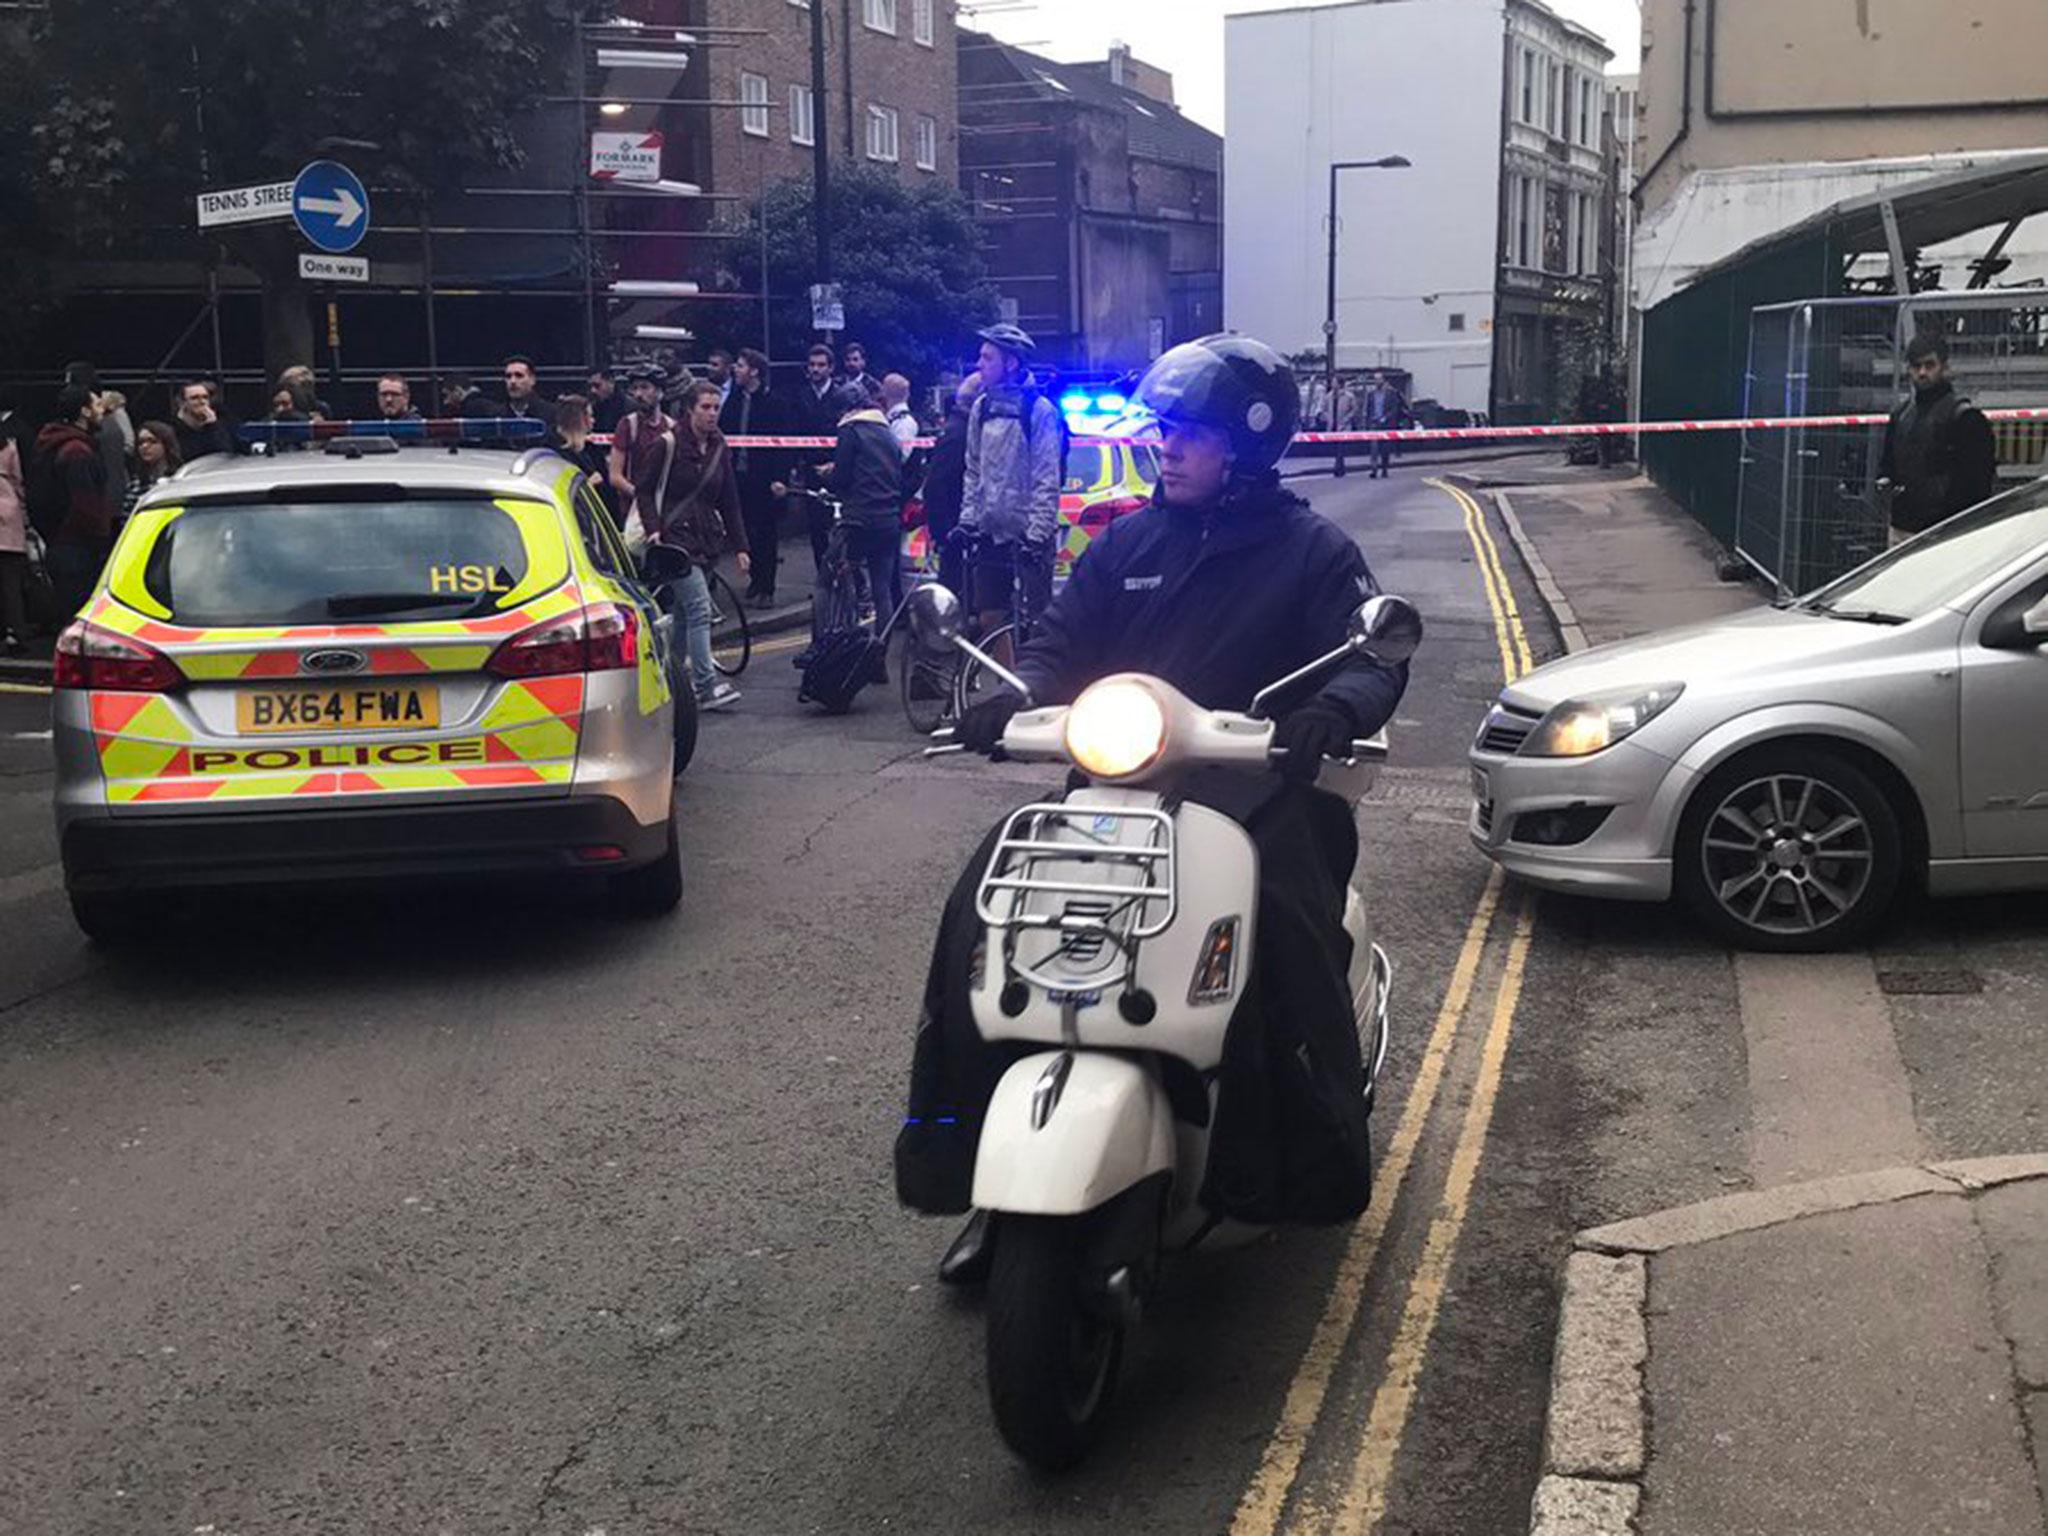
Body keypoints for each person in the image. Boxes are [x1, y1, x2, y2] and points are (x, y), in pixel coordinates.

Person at [895, 333, 1410, 1275]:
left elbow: (1372, 659)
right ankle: (977, 1170)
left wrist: (1330, 710)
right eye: (1165, 429)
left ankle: (1292, 1162)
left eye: (1188, 434)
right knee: (983, 911)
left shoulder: (1313, 553)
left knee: (1287, 923)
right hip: (1119, 786)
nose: (1165, 446)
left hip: (1263, 792)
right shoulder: (1130, 539)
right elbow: (1060, 638)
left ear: (1248, 448)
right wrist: (1019, 691)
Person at [958, 322, 1060, 658]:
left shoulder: (1040, 410)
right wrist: (968, 520)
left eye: (987, 358)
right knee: (990, 615)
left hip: (1029, 534)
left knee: (1039, 622)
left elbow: (1046, 477)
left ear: (1011, 363)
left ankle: (1044, 690)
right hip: (991, 530)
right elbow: (973, 469)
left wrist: (1037, 534)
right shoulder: (981, 407)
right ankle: (1010, 687)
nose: (979, 364)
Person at [645, 382, 749, 712]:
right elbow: (644, 491)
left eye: (716, 407)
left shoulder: (720, 447)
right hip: (675, 540)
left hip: (706, 539)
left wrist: (741, 545)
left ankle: (670, 681)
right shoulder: (668, 444)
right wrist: (653, 529)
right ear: (690, 409)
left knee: (683, 615)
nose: (712, 414)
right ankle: (705, 687)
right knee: (700, 609)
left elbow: (730, 500)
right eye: (705, 407)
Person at [1879, 332, 1997, 545]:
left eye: (1929, 365)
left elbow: (1978, 486)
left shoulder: (1966, 419)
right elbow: (1888, 466)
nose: (1922, 372)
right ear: (1909, 369)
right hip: (1902, 528)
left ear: (1945, 367)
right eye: (1916, 366)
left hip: (1946, 532)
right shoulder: (1900, 415)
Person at [824, 385, 904, 641]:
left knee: (836, 573)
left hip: (858, 516)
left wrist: (830, 476)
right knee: (883, 590)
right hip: (889, 517)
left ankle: (843, 641)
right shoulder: (887, 430)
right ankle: (880, 654)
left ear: (847, 409)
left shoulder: (851, 429)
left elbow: (843, 476)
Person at [34, 385, 117, 617]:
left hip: (60, 542)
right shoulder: (77, 452)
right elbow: (86, 504)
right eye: (98, 405)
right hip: (79, 548)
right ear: (85, 412)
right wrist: (101, 539)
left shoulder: (56, 444)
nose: (103, 411)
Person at [720, 348, 789, 607]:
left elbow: (784, 444)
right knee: (746, 530)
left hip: (765, 478)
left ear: (755, 371)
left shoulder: (774, 402)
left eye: (740, 365)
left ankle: (767, 587)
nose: (735, 370)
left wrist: (780, 477)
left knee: (766, 533)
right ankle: (755, 580)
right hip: (739, 475)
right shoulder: (734, 401)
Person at [919, 373, 981, 598]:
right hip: (956, 530)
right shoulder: (959, 434)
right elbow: (937, 483)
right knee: (953, 600)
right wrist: (943, 533)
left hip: (958, 528)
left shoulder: (958, 428)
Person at [793, 343, 850, 573]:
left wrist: (837, 463)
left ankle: (845, 573)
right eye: (812, 365)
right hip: (811, 468)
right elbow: (795, 432)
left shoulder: (841, 396)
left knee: (841, 525)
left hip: (838, 468)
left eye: (821, 365)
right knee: (816, 527)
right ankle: (823, 576)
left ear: (831, 368)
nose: (815, 369)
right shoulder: (802, 396)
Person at [608, 365, 674, 538]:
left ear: (659, 392)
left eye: (645, 387)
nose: (638, 394)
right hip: (632, 514)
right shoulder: (627, 425)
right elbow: (615, 476)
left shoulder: (672, 427)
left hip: (665, 513)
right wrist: (642, 498)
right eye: (635, 388)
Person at [550, 395, 617, 524]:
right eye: (590, 416)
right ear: (580, 420)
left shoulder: (592, 451)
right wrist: (587, 485)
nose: (593, 421)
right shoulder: (555, 453)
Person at [0, 410, 28, 654]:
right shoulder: (8, 447)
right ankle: (17, 632)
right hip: (8, 511)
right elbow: (18, 480)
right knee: (11, 581)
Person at [119, 421, 182, 524]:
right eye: (141, 442)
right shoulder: (135, 486)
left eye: (152, 441)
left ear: (166, 445)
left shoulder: (180, 480)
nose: (145, 446)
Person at [171, 379, 233, 462]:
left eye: (205, 397)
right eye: (194, 398)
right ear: (182, 402)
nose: (202, 401)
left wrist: (213, 427)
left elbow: (224, 455)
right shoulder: (171, 429)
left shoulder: (220, 425)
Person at [499, 355, 557, 432]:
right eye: (508, 376)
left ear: (532, 380)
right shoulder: (496, 416)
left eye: (519, 376)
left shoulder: (551, 414)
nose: (512, 381)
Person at [1363, 374, 1405, 478]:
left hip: (1386, 424)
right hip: (1374, 423)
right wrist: (1367, 423)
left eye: (1379, 379)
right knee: (1374, 448)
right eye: (1375, 379)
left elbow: (1395, 409)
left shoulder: (1391, 394)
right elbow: (1368, 409)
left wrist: (1386, 418)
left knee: (1385, 448)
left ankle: (1384, 468)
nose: (1377, 381)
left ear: (1383, 380)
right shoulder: (1371, 394)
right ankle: (1374, 469)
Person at [881, 373, 919, 462]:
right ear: (907, 394)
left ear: (884, 393)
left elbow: (900, 456)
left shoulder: (903, 421)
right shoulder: (895, 418)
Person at [840, 341, 881, 405]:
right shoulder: (837, 383)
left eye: (855, 360)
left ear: (863, 362)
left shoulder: (873, 385)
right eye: (848, 360)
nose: (851, 363)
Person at [586, 369, 626, 435]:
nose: (593, 390)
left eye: (597, 386)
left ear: (611, 383)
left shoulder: (628, 406)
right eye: (590, 386)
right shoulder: (593, 405)